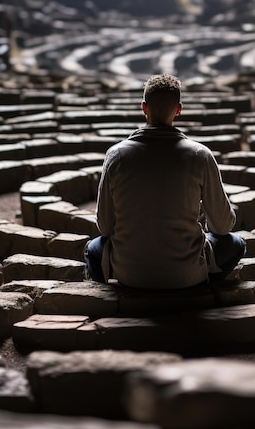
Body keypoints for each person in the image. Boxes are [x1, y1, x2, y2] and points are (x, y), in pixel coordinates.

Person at [84, 73, 246, 289]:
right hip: (187, 274)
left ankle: (105, 300)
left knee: (92, 248)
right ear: (178, 109)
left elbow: (104, 227)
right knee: (236, 244)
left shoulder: (116, 156)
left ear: (143, 107)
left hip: (130, 274)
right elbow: (223, 226)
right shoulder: (200, 155)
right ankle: (204, 293)